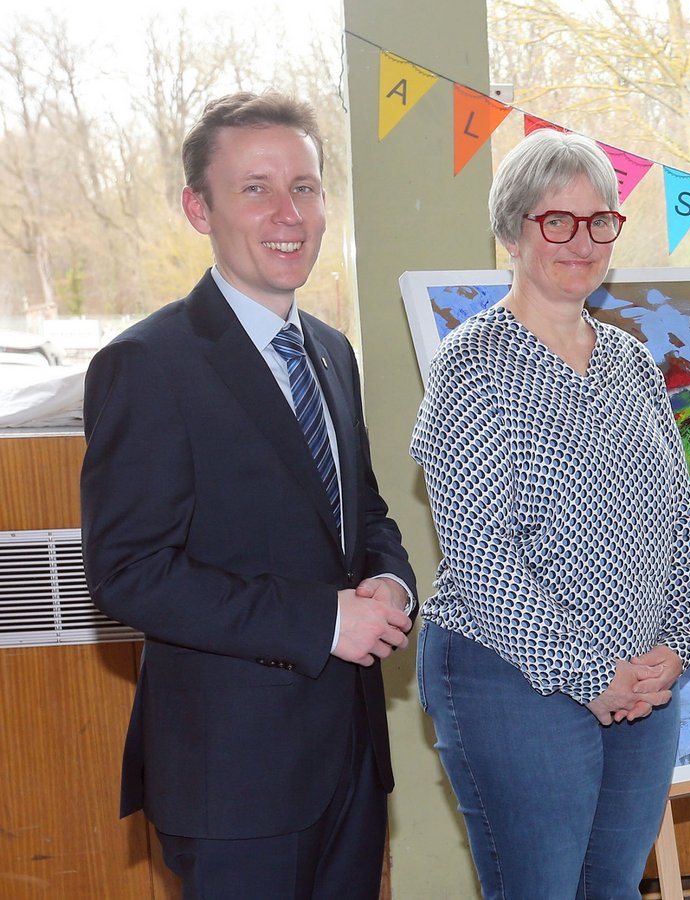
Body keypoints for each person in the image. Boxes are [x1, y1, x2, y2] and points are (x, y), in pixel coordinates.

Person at [80, 92, 417, 896]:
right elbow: (129, 573)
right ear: (199, 209)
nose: (287, 213)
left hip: (351, 763)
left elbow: (362, 513)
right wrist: (324, 619)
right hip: (234, 781)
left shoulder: (331, 351)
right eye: (255, 189)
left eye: (304, 187)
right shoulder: (148, 363)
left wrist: (391, 580)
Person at [410, 128, 690, 898]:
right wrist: (587, 672)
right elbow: (481, 555)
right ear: (512, 233)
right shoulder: (471, 365)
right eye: (557, 221)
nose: (582, 241)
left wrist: (679, 643)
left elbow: (681, 524)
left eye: (599, 221)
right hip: (511, 678)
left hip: (642, 682)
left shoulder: (632, 359)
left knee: (611, 890)